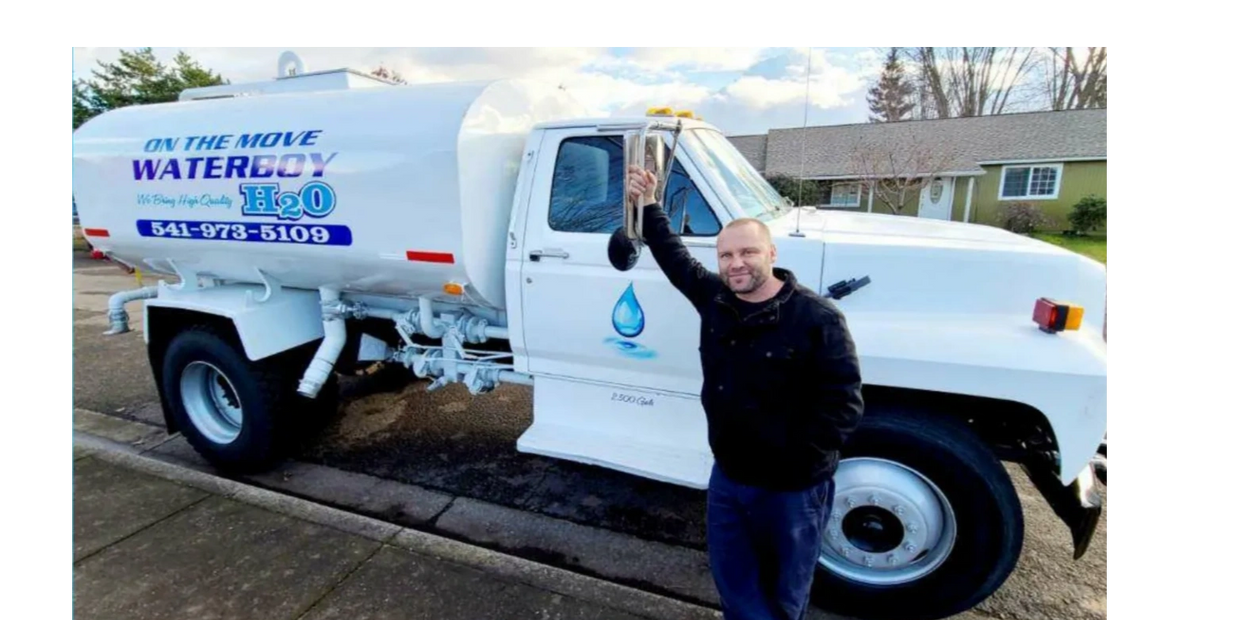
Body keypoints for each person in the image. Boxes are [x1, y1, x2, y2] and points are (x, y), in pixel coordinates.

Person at [626, 166, 864, 620]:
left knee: (784, 589)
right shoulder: (715, 300)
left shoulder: (817, 318)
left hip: (791, 487)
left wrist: (793, 461)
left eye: (748, 252)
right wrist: (649, 203)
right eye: (725, 255)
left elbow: (843, 405)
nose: (735, 263)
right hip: (729, 477)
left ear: (771, 253)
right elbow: (674, 256)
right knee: (734, 584)